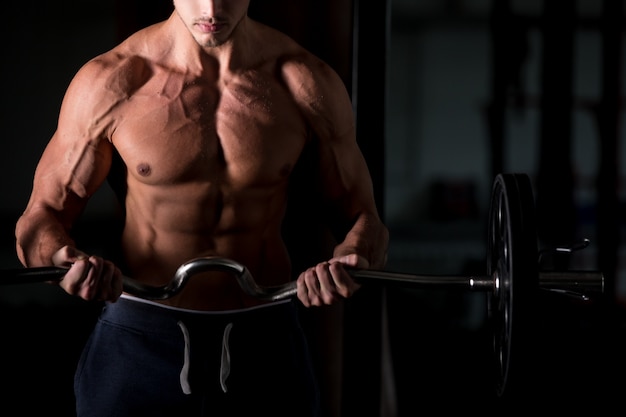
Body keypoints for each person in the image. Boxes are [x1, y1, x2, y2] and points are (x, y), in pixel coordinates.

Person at [15, 1, 389, 416]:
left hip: (264, 339)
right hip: (142, 336)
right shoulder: (114, 82)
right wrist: (61, 259)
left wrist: (350, 261)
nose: (211, 8)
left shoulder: (303, 81)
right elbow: (40, 219)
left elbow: (365, 218)